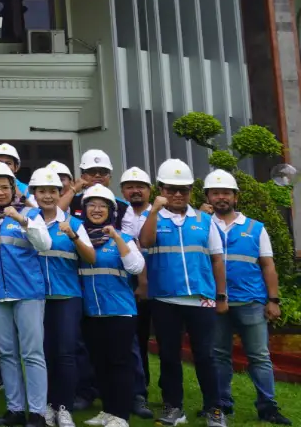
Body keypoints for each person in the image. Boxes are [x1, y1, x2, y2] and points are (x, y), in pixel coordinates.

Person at [139, 159, 228, 427]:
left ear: (191, 191)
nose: (177, 194)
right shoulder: (150, 218)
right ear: (161, 189)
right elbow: (145, 242)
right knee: (168, 356)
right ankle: (173, 407)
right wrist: (154, 211)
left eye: (184, 189)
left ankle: (214, 408)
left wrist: (221, 296)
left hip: (201, 299)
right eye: (170, 189)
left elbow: (217, 259)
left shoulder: (204, 220)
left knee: (205, 356)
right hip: (165, 299)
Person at [205, 169, 289, 425]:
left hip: (251, 301)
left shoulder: (255, 228)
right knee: (219, 354)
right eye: (216, 192)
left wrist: (273, 300)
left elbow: (268, 265)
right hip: (216, 302)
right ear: (208, 196)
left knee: (259, 357)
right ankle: (221, 405)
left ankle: (268, 407)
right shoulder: (201, 224)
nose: (221, 197)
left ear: (236, 197)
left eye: (226, 192)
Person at [0, 160, 50, 427]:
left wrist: (21, 219)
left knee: (32, 353)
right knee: (7, 353)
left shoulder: (31, 214)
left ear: (13, 189)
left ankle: (39, 412)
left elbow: (44, 244)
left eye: (5, 187)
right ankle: (15, 409)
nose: (0, 192)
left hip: (28, 292)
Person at [74, 185, 145, 427]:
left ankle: (121, 415)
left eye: (102, 206)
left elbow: (136, 267)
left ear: (111, 211)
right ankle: (108, 410)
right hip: (91, 312)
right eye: (91, 205)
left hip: (119, 311)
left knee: (119, 363)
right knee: (100, 362)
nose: (96, 210)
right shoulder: (80, 237)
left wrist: (116, 237)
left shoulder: (123, 238)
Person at [30, 167, 83, 427]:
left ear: (60, 193)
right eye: (42, 191)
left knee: (65, 353)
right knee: (42, 353)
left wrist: (73, 235)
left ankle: (64, 407)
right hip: (36, 297)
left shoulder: (74, 224)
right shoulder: (29, 221)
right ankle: (47, 405)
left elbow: (88, 256)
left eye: (53, 191)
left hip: (66, 296)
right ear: (34, 194)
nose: (48, 196)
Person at [117, 165, 156, 418]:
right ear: (122, 190)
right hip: (130, 285)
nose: (135, 191)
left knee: (156, 340)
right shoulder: (119, 213)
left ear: (149, 190)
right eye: (130, 187)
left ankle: (147, 389)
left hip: (162, 284)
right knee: (135, 339)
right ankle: (138, 391)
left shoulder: (160, 213)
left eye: (140, 186)